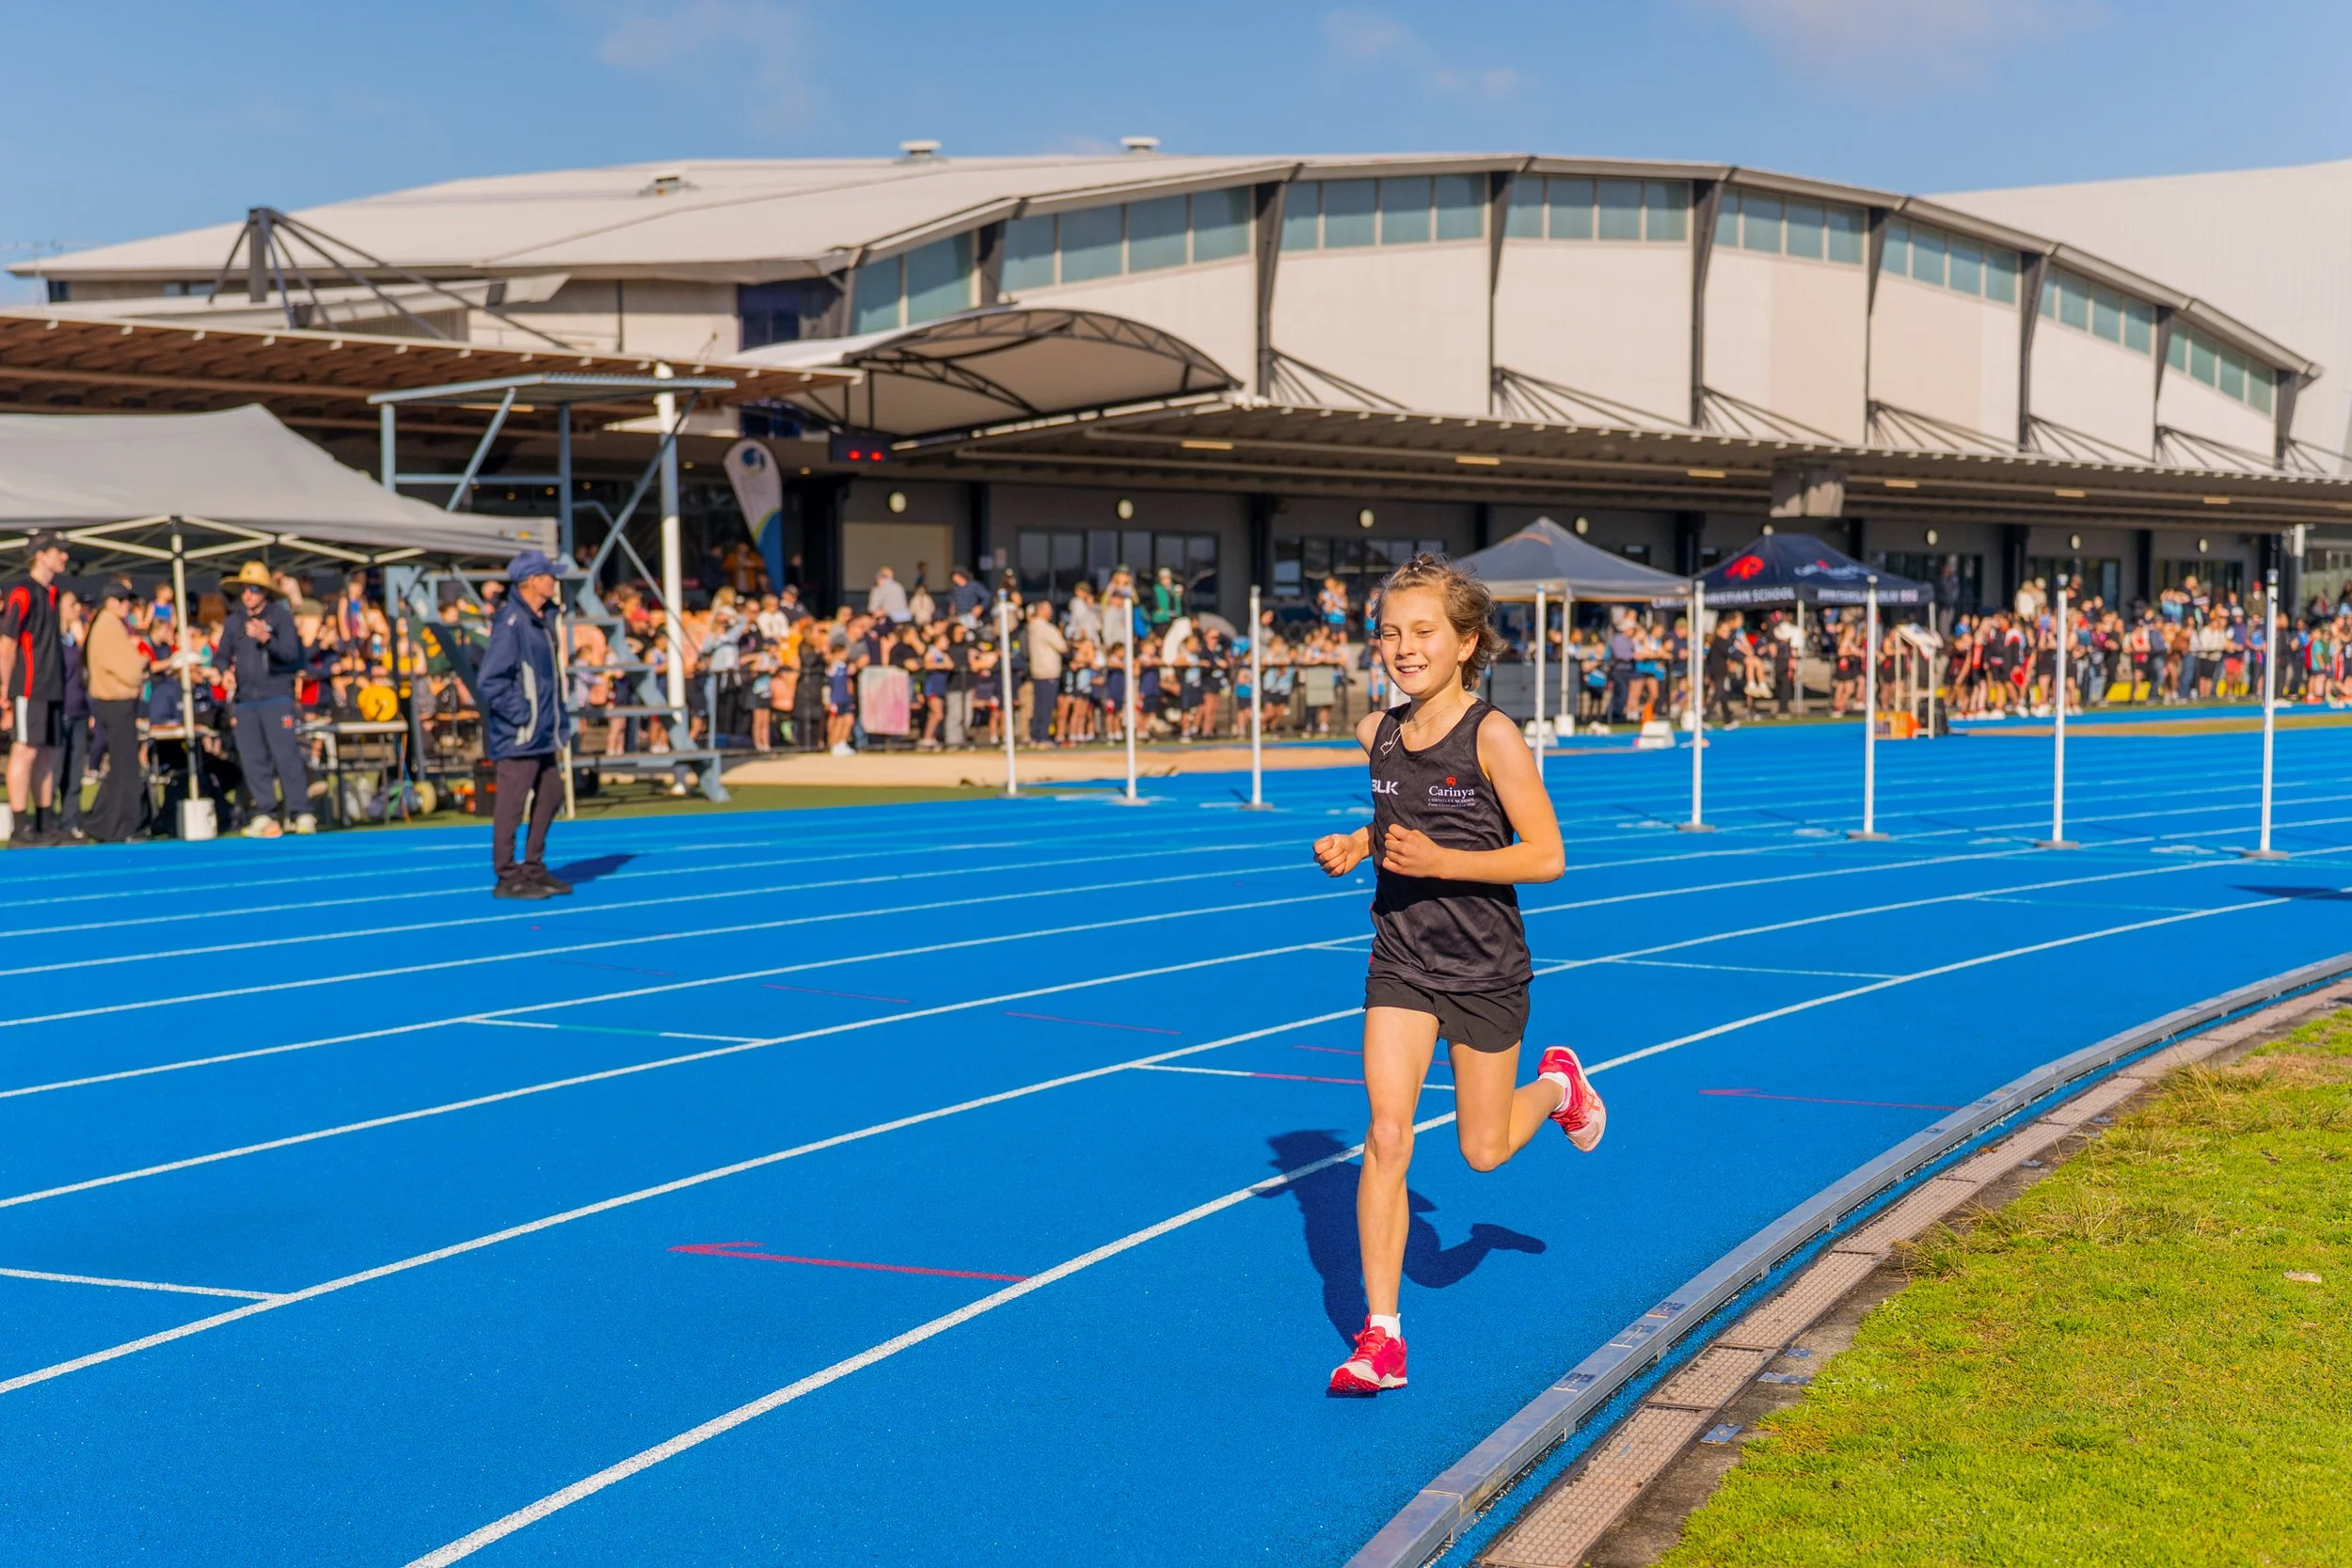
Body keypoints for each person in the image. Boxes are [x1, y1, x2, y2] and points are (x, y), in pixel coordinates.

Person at [1310, 554, 1603, 1398]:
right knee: (1387, 1135)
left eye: (1423, 631)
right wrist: (1358, 842)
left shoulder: (1494, 737)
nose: (1403, 646)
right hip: (1400, 957)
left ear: (1466, 641)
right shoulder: (1378, 733)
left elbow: (1547, 855)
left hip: (1483, 968)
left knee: (1480, 1150)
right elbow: (1396, 811)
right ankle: (1382, 1337)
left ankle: (1558, 1088)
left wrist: (1442, 858)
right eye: (1390, 632)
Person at [478, 550, 573, 899]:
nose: (554, 580)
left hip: (543, 731)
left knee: (550, 794)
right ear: (532, 580)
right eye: (549, 575)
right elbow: (491, 681)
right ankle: (506, 874)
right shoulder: (512, 622)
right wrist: (523, 714)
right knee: (511, 804)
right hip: (520, 733)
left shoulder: (544, 618)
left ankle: (533, 867)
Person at [214, 561, 316, 838]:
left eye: (253, 590)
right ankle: (266, 812)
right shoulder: (235, 620)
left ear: (265, 593)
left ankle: (300, 811)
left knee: (286, 756)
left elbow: (292, 655)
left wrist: (266, 638)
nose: (247, 595)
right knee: (253, 759)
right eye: (244, 590)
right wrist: (224, 673)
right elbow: (221, 655)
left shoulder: (280, 617)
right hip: (247, 700)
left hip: (276, 696)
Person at [0, 531, 72, 845]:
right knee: (25, 750)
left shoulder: (52, 593)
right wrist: (4, 688)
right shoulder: (23, 591)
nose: (65, 556)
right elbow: (7, 642)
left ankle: (45, 822)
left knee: (47, 753)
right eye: (59, 551)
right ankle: (20, 826)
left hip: (52, 686)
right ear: (41, 554)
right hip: (28, 687)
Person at [84, 577, 151, 842]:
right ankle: (119, 825)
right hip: (115, 700)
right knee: (126, 766)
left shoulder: (109, 624)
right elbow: (125, 666)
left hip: (113, 700)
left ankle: (104, 822)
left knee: (122, 765)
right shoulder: (108, 625)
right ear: (111, 602)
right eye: (123, 601)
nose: (127, 606)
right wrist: (141, 664)